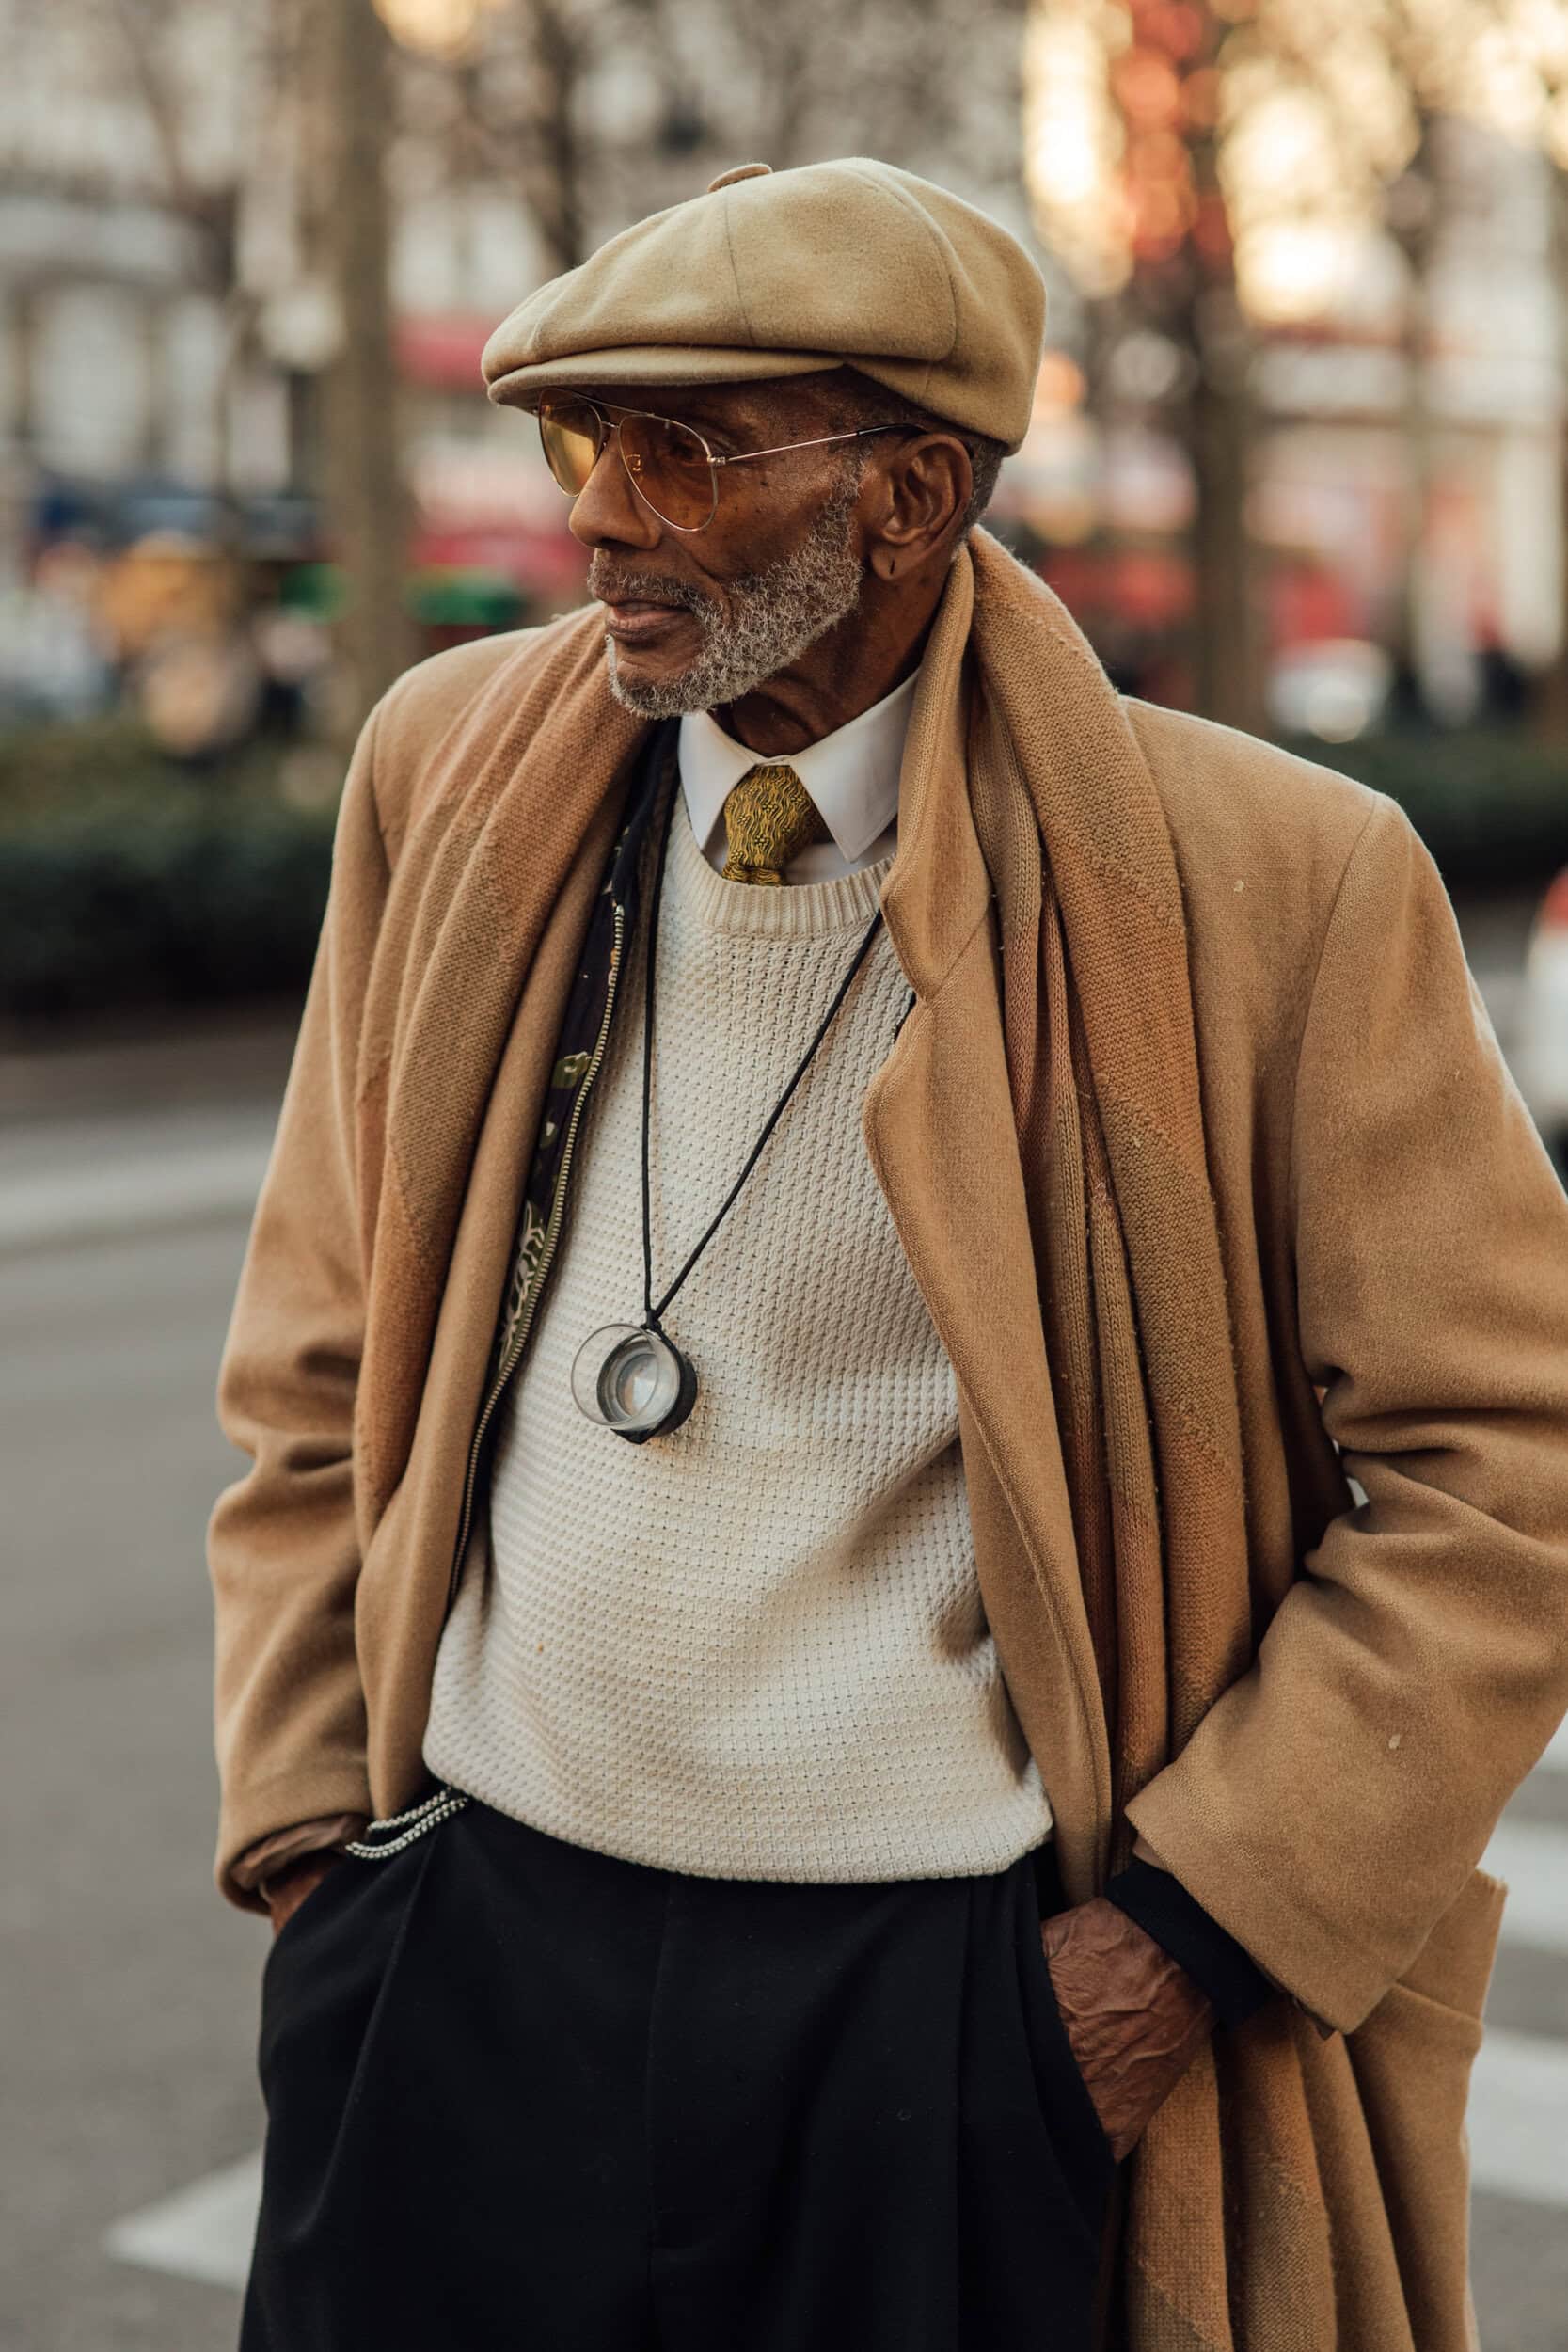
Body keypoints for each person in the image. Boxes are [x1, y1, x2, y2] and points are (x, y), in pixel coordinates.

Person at [208, 159, 1568, 2352]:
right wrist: (305, 1843)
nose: (604, 519)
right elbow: (315, 1334)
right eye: (583, 440)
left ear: (916, 493)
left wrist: (1172, 1958)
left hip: (945, 2017)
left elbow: (1512, 1470)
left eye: (690, 447)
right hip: (464, 1952)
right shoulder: (446, 777)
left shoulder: (1284, 885)